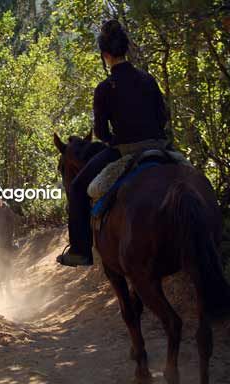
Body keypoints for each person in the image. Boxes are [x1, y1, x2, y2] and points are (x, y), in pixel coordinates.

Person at [57, 19, 169, 267]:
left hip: (124, 151)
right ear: (126, 49)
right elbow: (164, 117)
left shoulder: (105, 88)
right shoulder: (148, 79)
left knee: (76, 187)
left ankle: (80, 250)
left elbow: (100, 131)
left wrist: (115, 142)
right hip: (160, 147)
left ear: (105, 54)